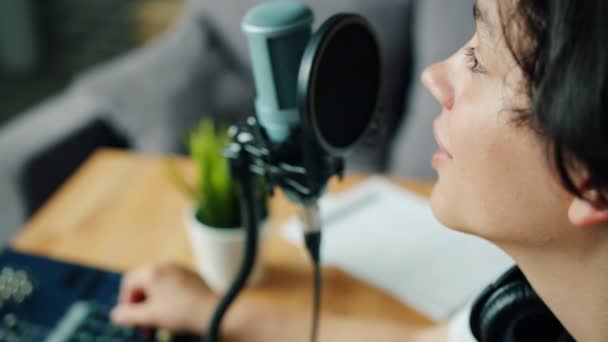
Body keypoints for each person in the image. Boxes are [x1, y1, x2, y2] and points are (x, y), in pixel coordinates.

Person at [109, 0, 608, 341]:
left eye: (480, 61)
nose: (434, 77)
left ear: (590, 181)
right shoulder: (530, 315)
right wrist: (208, 310)